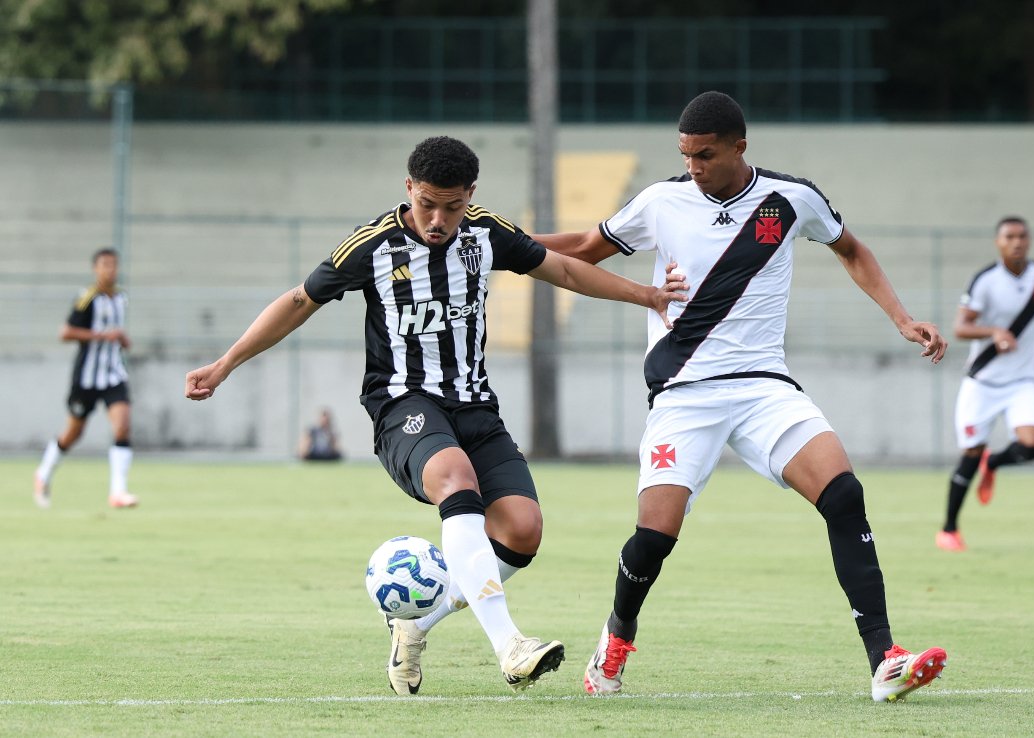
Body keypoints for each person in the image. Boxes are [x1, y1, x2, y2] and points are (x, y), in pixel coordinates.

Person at [184, 136, 687, 694]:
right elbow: (300, 300)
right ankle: (509, 646)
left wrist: (647, 296)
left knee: (522, 532)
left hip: (475, 407)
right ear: (409, 190)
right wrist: (226, 362)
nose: (439, 219)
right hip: (403, 405)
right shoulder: (371, 246)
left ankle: (414, 626)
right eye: (428, 204)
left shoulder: (486, 233)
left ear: (470, 196)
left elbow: (565, 271)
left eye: (452, 206)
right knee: (456, 479)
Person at [534, 91, 949, 702]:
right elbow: (583, 249)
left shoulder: (790, 199)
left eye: (704, 155)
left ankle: (885, 659)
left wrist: (901, 318)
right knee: (656, 535)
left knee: (845, 494)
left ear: (739, 147)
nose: (693, 167)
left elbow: (852, 250)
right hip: (683, 392)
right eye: (685, 155)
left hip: (763, 386)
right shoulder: (660, 202)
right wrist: (496, 242)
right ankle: (615, 639)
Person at [937, 216, 1034, 552]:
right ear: (998, 242)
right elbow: (961, 327)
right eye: (1010, 237)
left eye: (1023, 236)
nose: (1017, 242)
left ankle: (992, 463)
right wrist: (995, 332)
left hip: (1023, 381)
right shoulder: (985, 281)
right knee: (969, 454)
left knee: (1033, 445)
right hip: (983, 381)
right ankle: (949, 529)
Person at [34, 248, 139, 510]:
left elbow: (116, 334)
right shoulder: (87, 298)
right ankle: (44, 473)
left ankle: (118, 492)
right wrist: (102, 335)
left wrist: (122, 340)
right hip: (86, 378)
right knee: (73, 433)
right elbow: (66, 332)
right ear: (95, 269)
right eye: (104, 265)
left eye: (113, 265)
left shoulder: (121, 297)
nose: (110, 270)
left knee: (123, 425)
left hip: (113, 374)